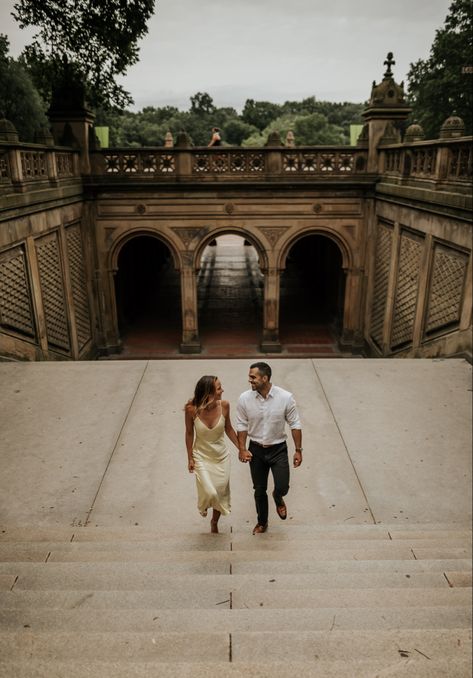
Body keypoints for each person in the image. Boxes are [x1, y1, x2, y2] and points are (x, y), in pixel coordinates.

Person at [236, 362, 303, 534]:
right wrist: (242, 448)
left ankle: (278, 496)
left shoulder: (285, 397)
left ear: (265, 378)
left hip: (278, 449)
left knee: (282, 486)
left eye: (253, 377)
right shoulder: (244, 398)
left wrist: (298, 450)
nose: (249, 380)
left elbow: (295, 423)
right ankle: (262, 522)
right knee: (259, 489)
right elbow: (242, 425)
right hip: (256, 450)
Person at [185, 375, 239, 533]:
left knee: (220, 492)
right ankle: (203, 505)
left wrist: (241, 448)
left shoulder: (225, 405)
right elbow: (189, 434)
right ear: (208, 392)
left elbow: (228, 428)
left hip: (221, 457)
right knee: (210, 492)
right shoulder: (191, 409)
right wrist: (190, 458)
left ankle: (214, 521)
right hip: (201, 456)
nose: (222, 390)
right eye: (219, 388)